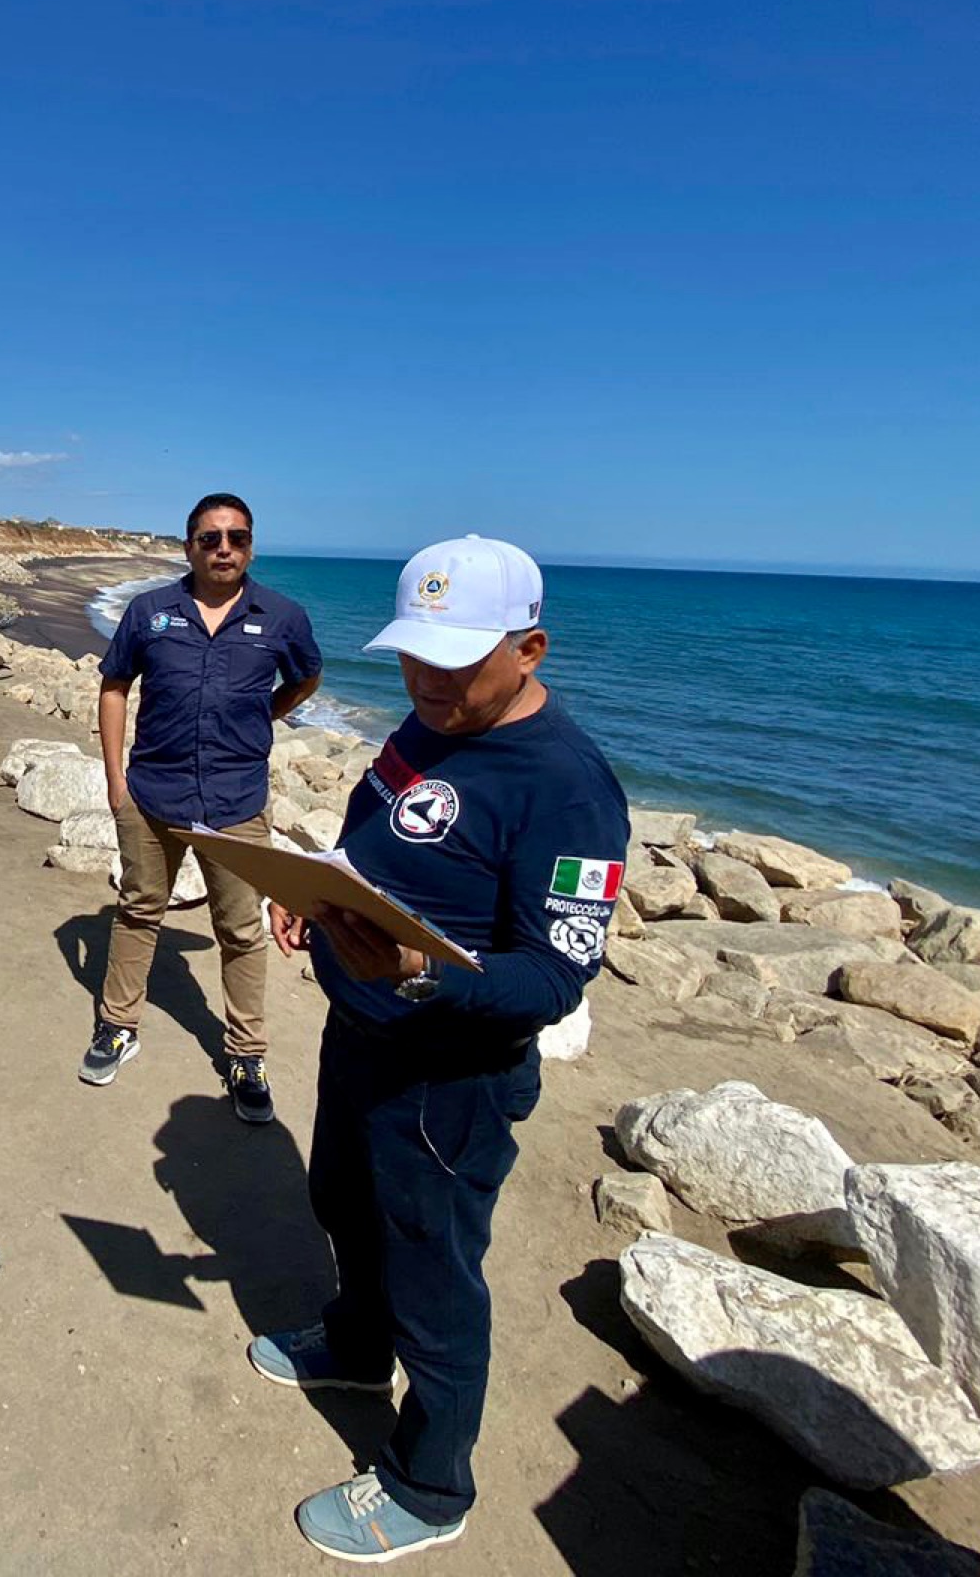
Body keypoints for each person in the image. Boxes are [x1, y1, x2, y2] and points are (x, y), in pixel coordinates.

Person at [247, 534, 628, 1563]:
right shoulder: (428, 721)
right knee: (342, 1205)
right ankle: (359, 1350)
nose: (425, 682)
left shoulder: (572, 789)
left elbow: (555, 978)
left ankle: (429, 1485)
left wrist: (421, 974)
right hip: (361, 1034)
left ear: (531, 650)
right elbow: (377, 829)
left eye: (454, 662)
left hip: (450, 1078)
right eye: (415, 655)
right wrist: (319, 893)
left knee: (436, 1275)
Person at [84, 492, 322, 1121]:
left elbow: (306, 677)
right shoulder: (149, 611)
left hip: (236, 801)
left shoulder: (283, 617)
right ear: (188, 545)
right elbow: (114, 686)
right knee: (138, 910)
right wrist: (115, 780)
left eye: (236, 538)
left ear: (251, 546)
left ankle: (246, 1053)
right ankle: (117, 1023)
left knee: (242, 932)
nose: (223, 549)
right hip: (152, 794)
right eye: (210, 538)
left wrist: (263, 715)